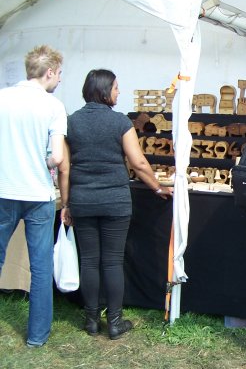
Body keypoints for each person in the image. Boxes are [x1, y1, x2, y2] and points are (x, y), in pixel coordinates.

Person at [62, 69, 173, 340]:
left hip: (83, 200)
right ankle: (114, 322)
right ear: (104, 91)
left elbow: (65, 167)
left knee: (89, 261)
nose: (118, 92)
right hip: (114, 201)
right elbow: (138, 162)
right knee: (112, 262)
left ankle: (91, 321)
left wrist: (66, 204)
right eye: (115, 88)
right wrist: (157, 187)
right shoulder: (119, 121)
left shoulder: (71, 122)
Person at [0, 45, 67, 348]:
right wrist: (44, 160)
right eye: (59, 73)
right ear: (49, 72)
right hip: (38, 194)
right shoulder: (53, 106)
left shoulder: (2, 97)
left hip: (4, 190)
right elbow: (57, 157)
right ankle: (37, 336)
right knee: (40, 268)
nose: (60, 79)